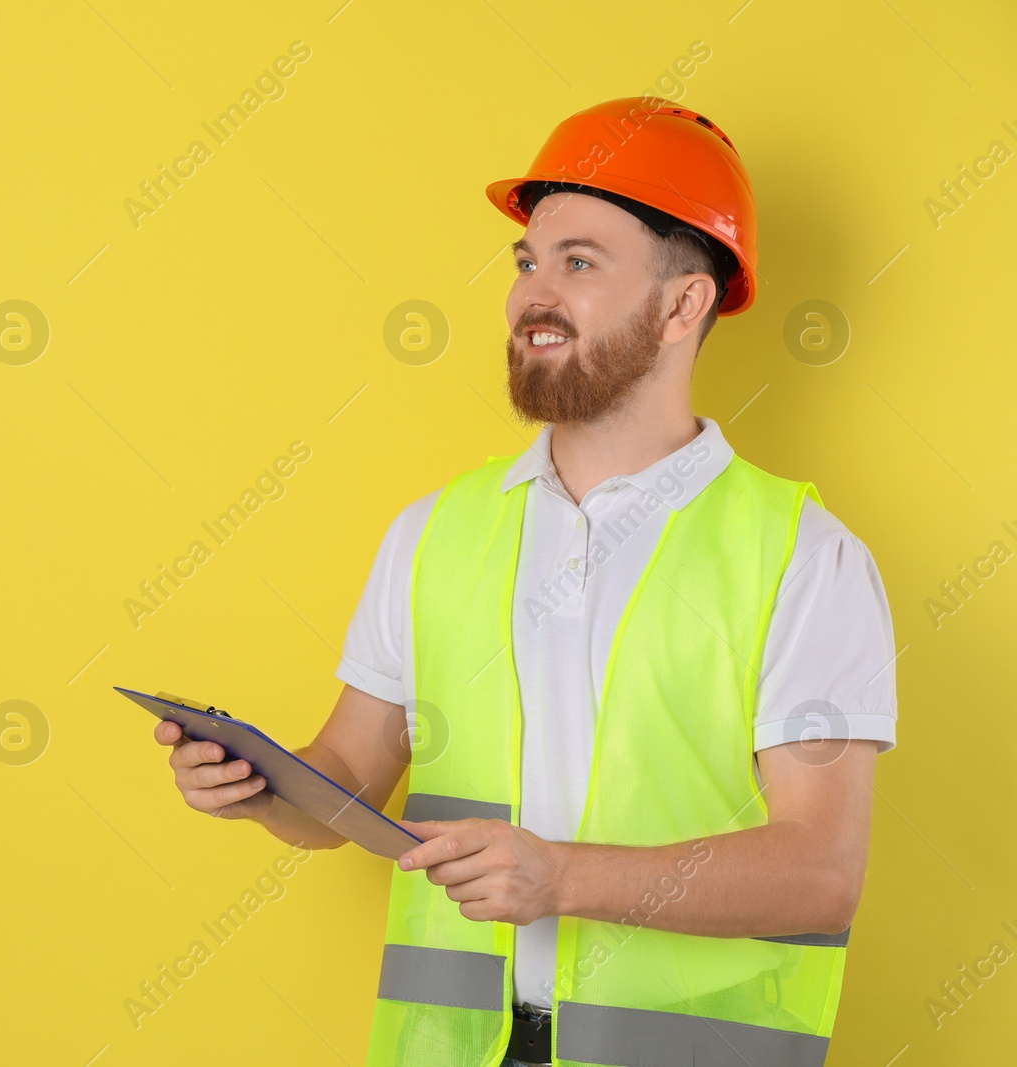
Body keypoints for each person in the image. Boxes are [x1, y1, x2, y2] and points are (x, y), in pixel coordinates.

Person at [153, 97, 896, 1067]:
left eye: (578, 263)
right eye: (526, 263)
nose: (530, 295)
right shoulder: (435, 532)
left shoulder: (803, 556)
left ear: (682, 304)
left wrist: (562, 878)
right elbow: (345, 779)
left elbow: (818, 872)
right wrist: (261, 786)